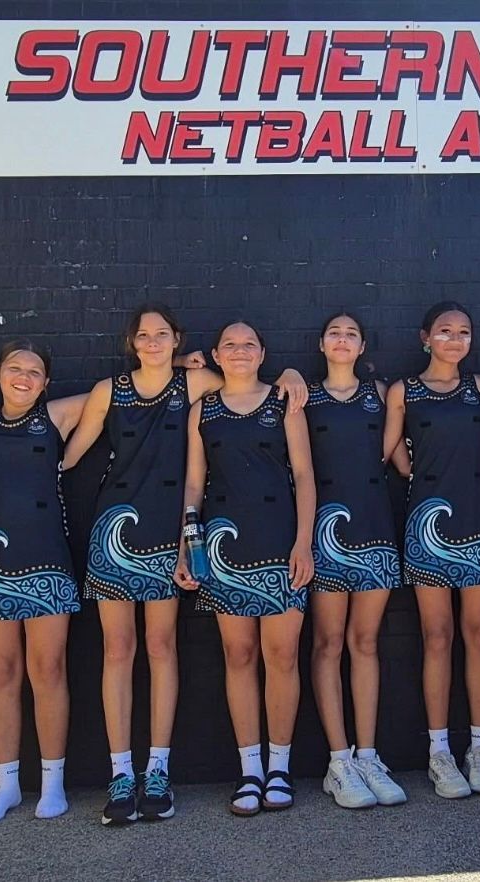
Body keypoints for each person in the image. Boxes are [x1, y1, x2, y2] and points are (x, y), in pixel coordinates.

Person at [64, 305, 307, 825]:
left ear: (177, 339)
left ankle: (161, 770)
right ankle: (122, 773)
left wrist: (289, 374)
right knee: (117, 649)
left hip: (184, 531)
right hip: (118, 530)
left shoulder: (196, 386)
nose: (152, 342)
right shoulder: (116, 391)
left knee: (163, 646)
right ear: (132, 341)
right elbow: (69, 451)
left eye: (162, 334)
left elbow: (249, 385)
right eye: (143, 335)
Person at [174, 320, 315, 817]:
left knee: (282, 657)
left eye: (248, 344)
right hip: (223, 549)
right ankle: (249, 769)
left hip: (280, 544)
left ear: (262, 352)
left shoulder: (284, 403)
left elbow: (303, 474)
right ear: (216, 354)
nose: (239, 351)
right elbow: (194, 485)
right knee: (238, 656)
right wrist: (188, 548)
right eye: (229, 345)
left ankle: (280, 766)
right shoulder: (202, 411)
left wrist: (304, 543)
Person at [0, 341, 86, 824]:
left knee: (48, 670)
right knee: (1, 673)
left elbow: (118, 393)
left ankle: (53, 782)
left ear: (46, 382)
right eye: (15, 369)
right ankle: (7, 785)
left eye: (35, 372)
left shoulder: (57, 415)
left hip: (46, 558)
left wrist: (176, 363)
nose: (24, 378)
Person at [382, 301, 480, 799]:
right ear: (425, 338)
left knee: (478, 636)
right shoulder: (403, 391)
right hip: (427, 527)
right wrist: (417, 473)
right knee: (437, 637)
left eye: (463, 331)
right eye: (444, 331)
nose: (454, 339)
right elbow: (388, 447)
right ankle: (439, 753)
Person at [305, 312, 408, 809]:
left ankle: (368, 755)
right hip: (323, 533)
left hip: (373, 529)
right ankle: (338, 761)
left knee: (365, 642)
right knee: (327, 643)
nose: (342, 340)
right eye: (334, 333)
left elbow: (390, 457)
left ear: (362, 345)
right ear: (320, 343)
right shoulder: (301, 396)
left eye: (351, 333)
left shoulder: (381, 395)